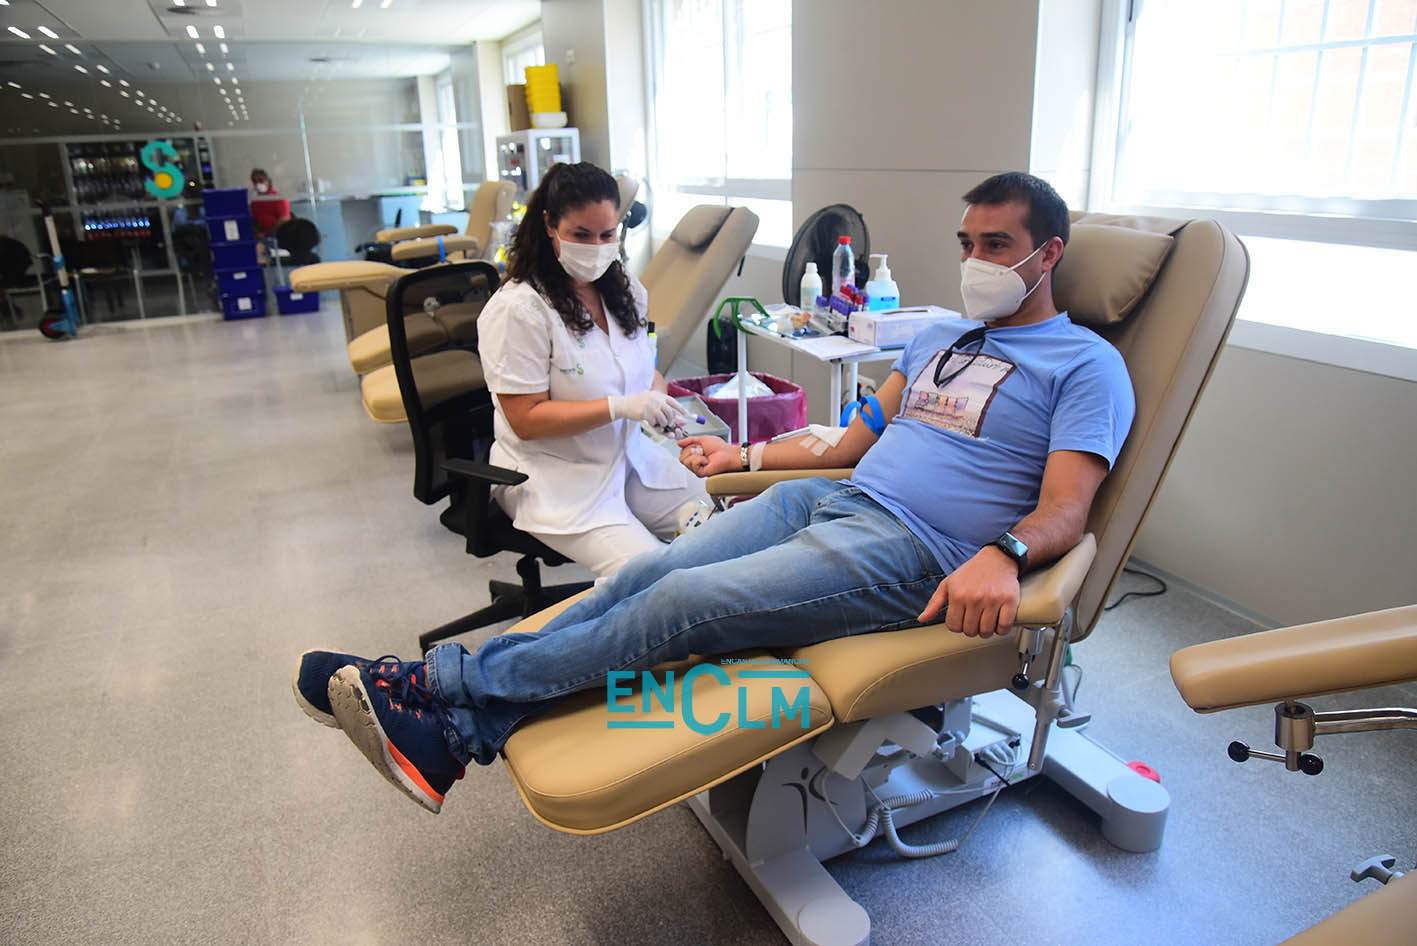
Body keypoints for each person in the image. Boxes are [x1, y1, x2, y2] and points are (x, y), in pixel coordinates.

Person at [291, 172, 1137, 814]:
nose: (973, 262)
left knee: (685, 598)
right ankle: (455, 731)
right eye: (965, 244)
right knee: (635, 578)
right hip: (834, 499)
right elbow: (847, 441)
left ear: (1046, 254)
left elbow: (1067, 506)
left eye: (994, 246)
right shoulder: (940, 339)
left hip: (916, 552)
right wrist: (748, 452)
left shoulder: (1085, 365)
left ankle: (436, 691)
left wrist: (1007, 553)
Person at [472, 161, 709, 579]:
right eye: (581, 235)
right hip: (557, 481)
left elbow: (644, 370)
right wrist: (621, 406)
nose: (597, 246)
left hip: (632, 462)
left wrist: (657, 399)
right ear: (549, 224)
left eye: (607, 234)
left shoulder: (625, 290)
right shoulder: (519, 310)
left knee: (728, 528)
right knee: (656, 580)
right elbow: (525, 419)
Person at [248, 168, 291, 240]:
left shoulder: (278, 198)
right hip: (261, 238)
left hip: (278, 237)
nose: (258, 184)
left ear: (268, 181)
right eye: (255, 182)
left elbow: (283, 221)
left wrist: (266, 234)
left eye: (261, 180)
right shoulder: (255, 201)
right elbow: (253, 220)